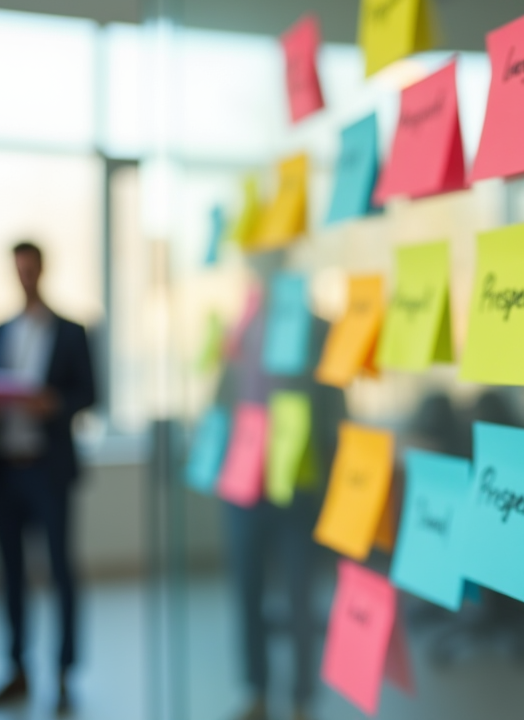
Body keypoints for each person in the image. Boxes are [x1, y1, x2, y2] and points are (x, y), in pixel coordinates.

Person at [217, 252, 345, 720]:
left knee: (299, 592)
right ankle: (256, 690)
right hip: (244, 485)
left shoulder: (317, 328)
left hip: (299, 485)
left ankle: (303, 698)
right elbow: (223, 399)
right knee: (247, 589)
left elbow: (334, 407)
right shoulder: (242, 328)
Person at [0, 242, 96, 713]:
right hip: (7, 468)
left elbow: (89, 393)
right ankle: (17, 668)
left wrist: (53, 404)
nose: (25, 276)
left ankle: (65, 671)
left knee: (60, 569)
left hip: (49, 469)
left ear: (42, 269)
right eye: (18, 270)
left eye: (31, 269)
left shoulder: (71, 332)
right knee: (10, 573)